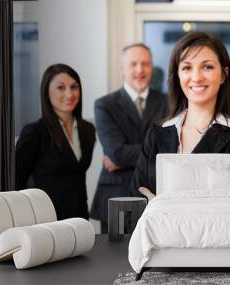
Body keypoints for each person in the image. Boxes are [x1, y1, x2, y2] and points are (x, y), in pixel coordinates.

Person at [130, 31, 230, 199]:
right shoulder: (156, 134)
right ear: (177, 76)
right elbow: (136, 198)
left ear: (223, 75)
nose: (196, 77)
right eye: (187, 68)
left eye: (207, 67)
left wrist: (162, 203)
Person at [90, 43, 167, 233]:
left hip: (157, 196)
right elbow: (117, 153)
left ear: (151, 68)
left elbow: (173, 149)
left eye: (145, 64)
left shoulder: (169, 102)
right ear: (122, 69)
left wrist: (123, 159)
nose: (140, 70)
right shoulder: (104, 105)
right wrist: (153, 153)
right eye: (133, 64)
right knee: (114, 259)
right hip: (116, 197)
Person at [15, 63, 96, 220]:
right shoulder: (34, 132)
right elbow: (16, 182)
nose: (69, 94)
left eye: (74, 87)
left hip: (79, 218)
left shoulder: (88, 130)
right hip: (45, 220)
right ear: (46, 92)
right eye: (61, 88)